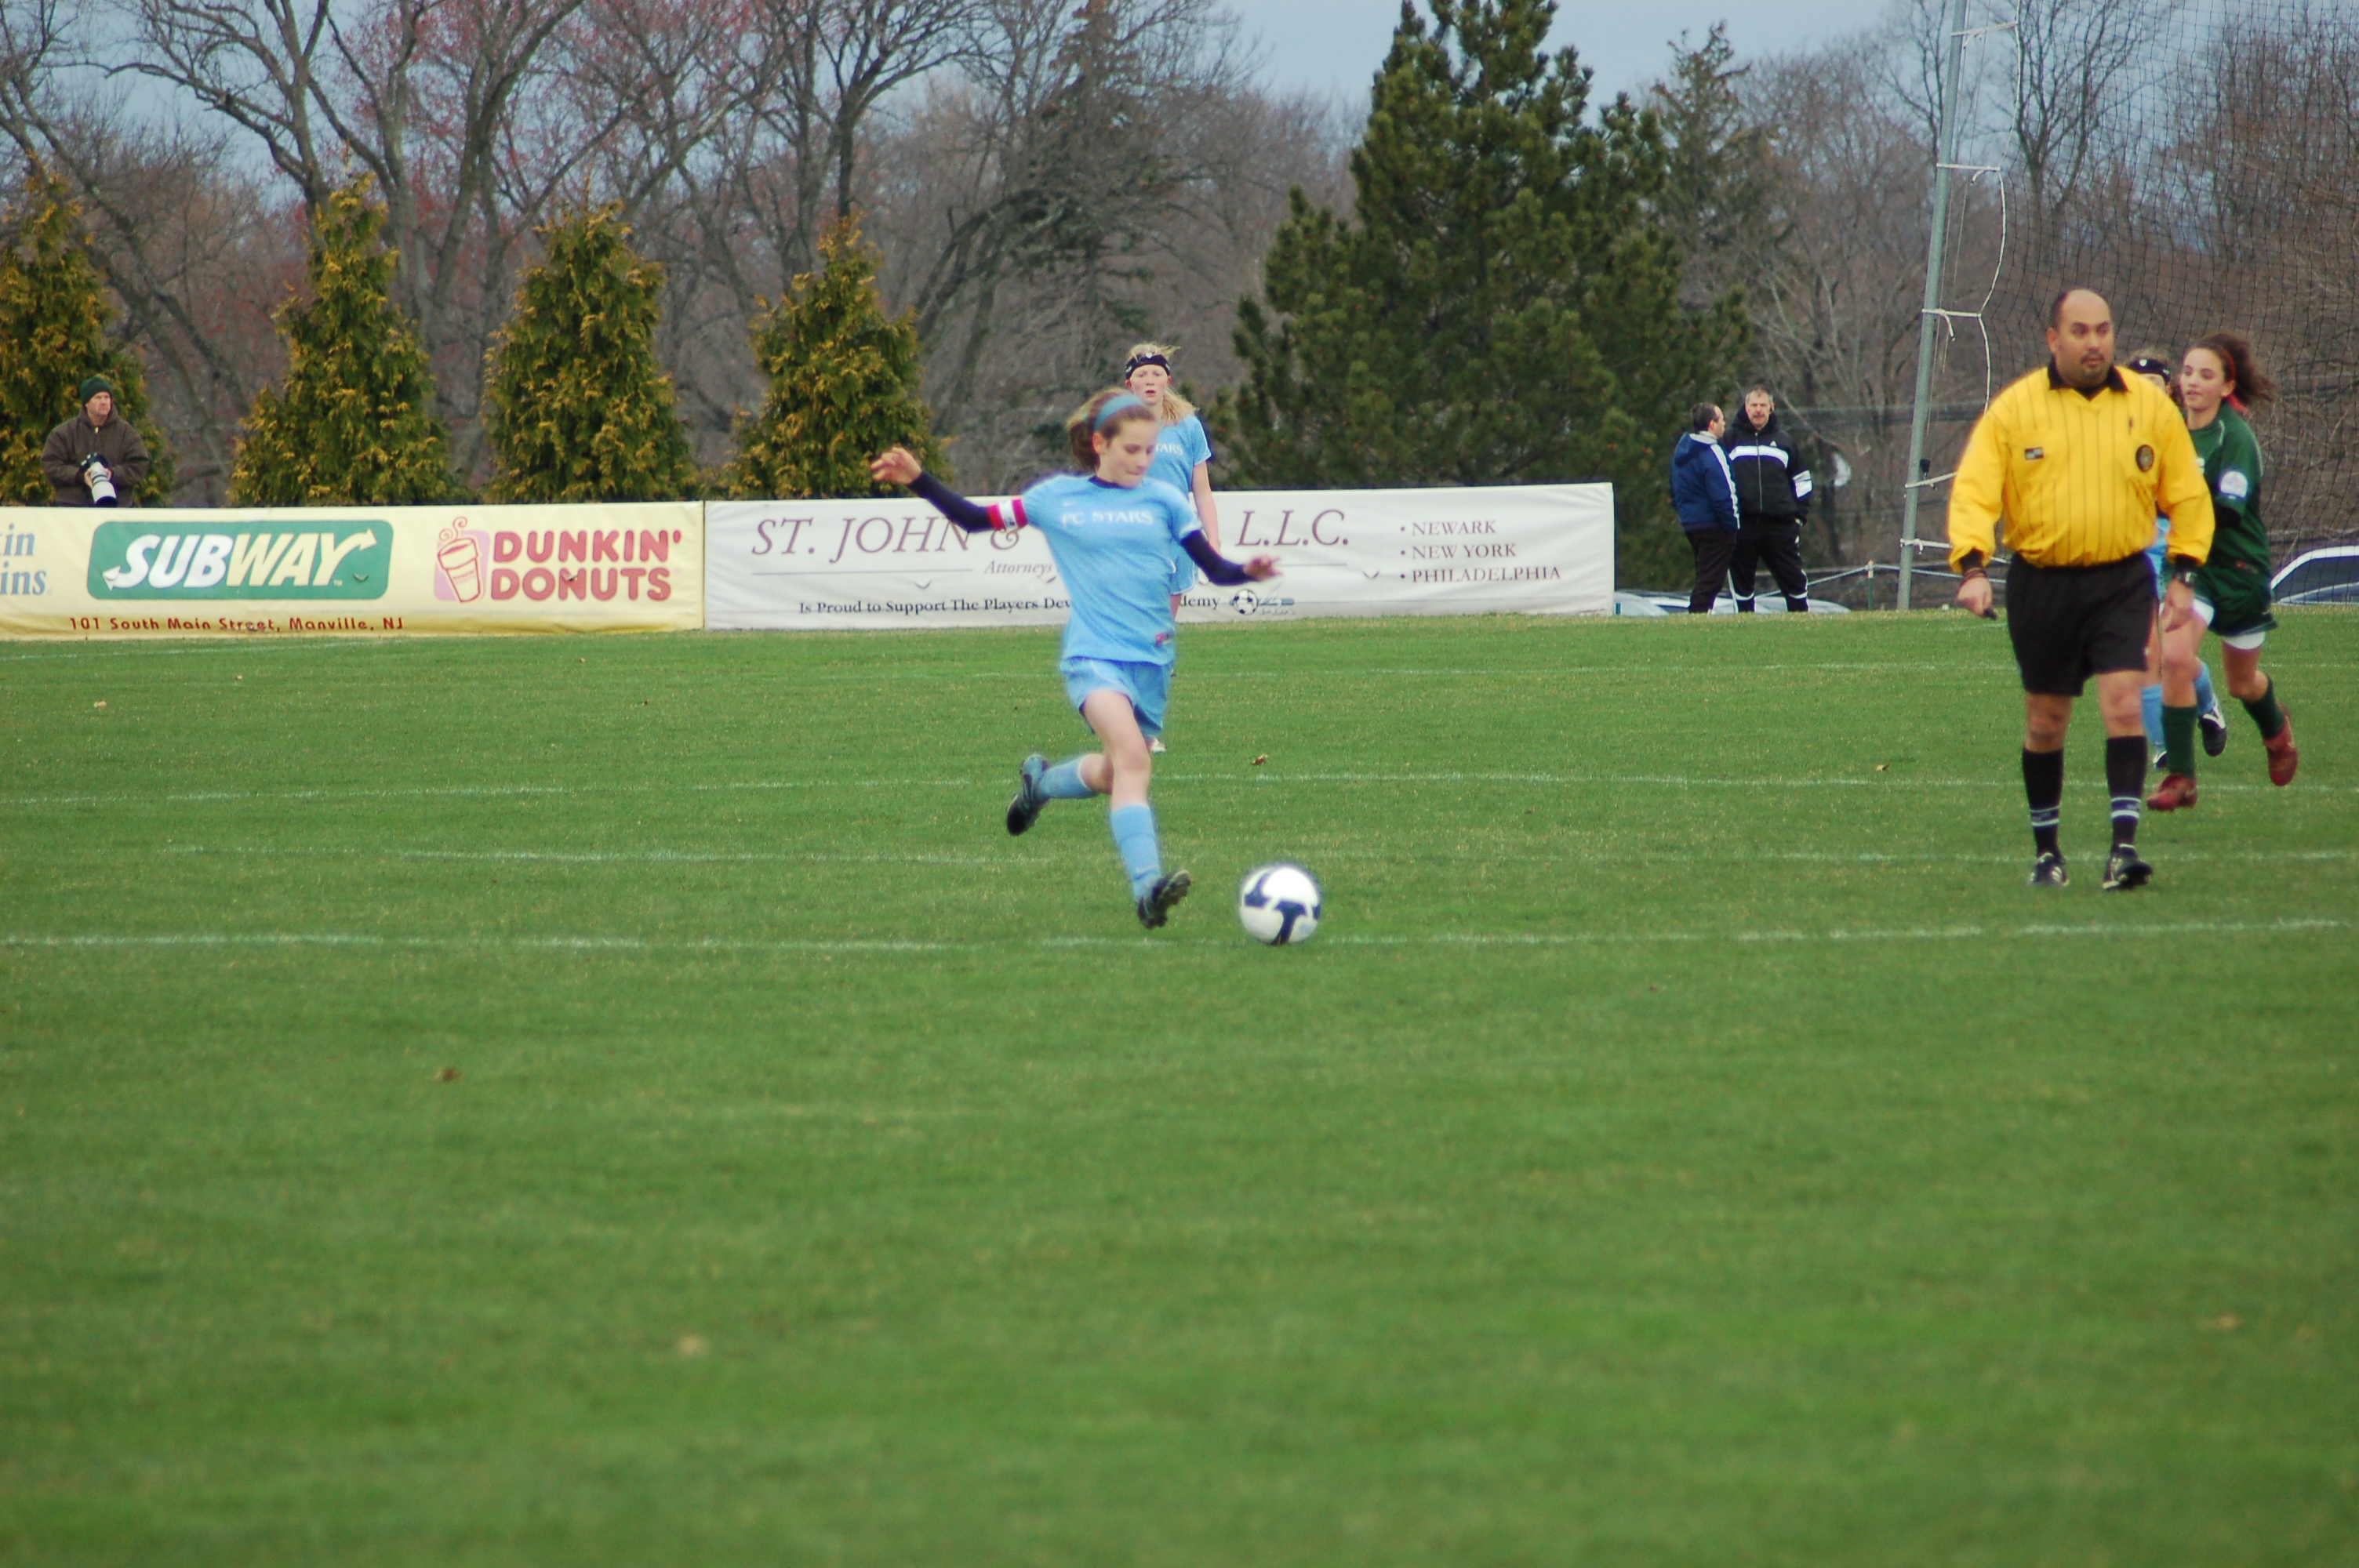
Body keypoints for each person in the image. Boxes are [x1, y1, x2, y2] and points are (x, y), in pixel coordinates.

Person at [869, 389, 1278, 928]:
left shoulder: (1166, 502)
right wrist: (919, 479)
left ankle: (1041, 784)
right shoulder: (1057, 499)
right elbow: (974, 518)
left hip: (1152, 662)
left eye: (1149, 450)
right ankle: (1147, 889)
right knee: (1135, 761)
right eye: (1131, 449)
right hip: (1093, 658)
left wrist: (1246, 572)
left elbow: (1215, 569)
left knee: (1114, 772)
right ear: (1099, 444)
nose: (1143, 460)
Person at [1948, 288, 2212, 891]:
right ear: (2053, 339)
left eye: (2103, 330)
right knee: (2046, 721)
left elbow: (2187, 495)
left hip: (2122, 580)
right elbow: (1976, 490)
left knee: (2124, 705)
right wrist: (1972, 568)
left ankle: (2123, 851)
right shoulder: (2015, 410)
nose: (2094, 343)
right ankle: (2048, 854)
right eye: (2080, 331)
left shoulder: (2148, 408)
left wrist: (2184, 574)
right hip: (2043, 585)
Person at [2146, 332, 2295, 809]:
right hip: (2193, 570)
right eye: (2188, 372)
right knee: (2173, 657)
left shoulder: (2235, 439)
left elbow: (2227, 512)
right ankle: (2181, 777)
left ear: (2227, 386)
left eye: (2206, 375)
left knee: (2242, 683)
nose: (2192, 382)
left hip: (2239, 570)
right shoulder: (2170, 431)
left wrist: (2168, 503)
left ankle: (2276, 730)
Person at [2122, 350, 2227, 768]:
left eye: (2153, 385)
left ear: (2169, 390)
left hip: (2176, 548)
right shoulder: (2114, 432)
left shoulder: (2186, 435)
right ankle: (2164, 747)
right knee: (2146, 653)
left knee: (2174, 655)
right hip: (2133, 549)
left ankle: (2207, 703)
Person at [1121, 343, 1219, 753]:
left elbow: (1202, 490)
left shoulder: (1188, 427)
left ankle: (1144, 730)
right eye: (1142, 375)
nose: (1150, 381)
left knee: (1159, 637)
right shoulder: (1118, 424)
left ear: (1167, 380)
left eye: (1156, 374)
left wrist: (1213, 543)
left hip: (1176, 543)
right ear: (1129, 383)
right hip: (1133, 542)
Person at [1724, 387, 1812, 612]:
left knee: (1793, 579)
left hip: (1780, 526)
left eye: (1763, 405)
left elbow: (1803, 481)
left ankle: (1801, 622)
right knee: (1742, 583)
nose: (1758, 410)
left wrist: (1799, 517)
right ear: (1746, 408)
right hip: (1743, 525)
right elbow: (1718, 479)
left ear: (1772, 408)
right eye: (1754, 405)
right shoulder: (1730, 440)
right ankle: (1744, 624)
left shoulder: (1785, 442)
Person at [1670, 403, 1739, 614]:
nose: (1724, 423)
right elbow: (1724, 493)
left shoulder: (1682, 452)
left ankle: (1699, 614)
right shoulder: (1712, 452)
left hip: (1691, 522)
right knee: (1711, 580)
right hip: (1713, 524)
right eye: (1721, 419)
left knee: (1704, 575)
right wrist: (1732, 524)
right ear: (1711, 424)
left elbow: (1674, 488)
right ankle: (1697, 616)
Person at [40, 376, 151, 506]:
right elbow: (50, 464)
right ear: (86, 403)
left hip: (116, 507)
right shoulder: (64, 433)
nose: (103, 402)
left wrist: (113, 474)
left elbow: (139, 464)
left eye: (107, 397)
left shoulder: (126, 433)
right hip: (72, 507)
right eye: (98, 398)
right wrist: (80, 476)